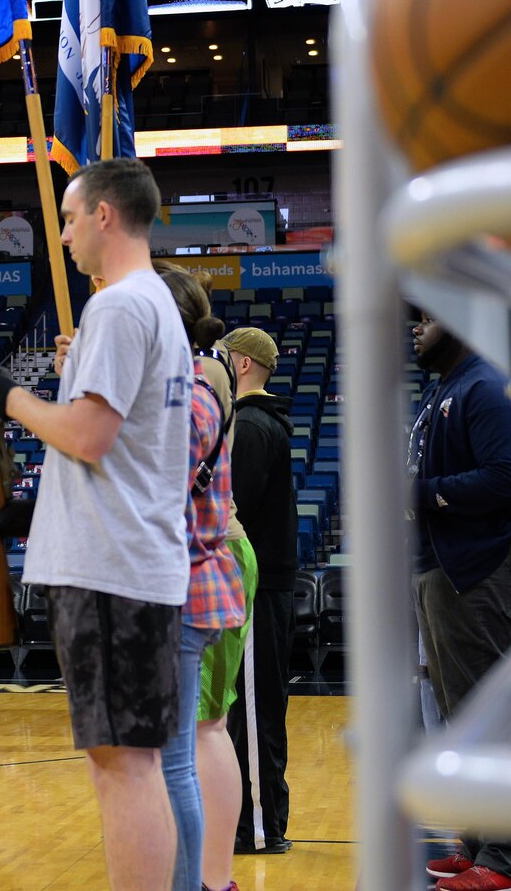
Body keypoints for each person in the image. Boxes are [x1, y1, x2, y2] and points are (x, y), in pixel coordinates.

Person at [0, 158, 190, 891]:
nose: (59, 235)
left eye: (66, 217)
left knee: (122, 762)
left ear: (105, 215)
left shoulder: (120, 306)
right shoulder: (151, 303)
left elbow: (89, 434)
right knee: (130, 759)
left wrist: (7, 398)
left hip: (111, 566)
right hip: (129, 560)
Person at [409, 312, 511, 891]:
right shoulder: (447, 390)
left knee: (491, 712)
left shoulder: (483, 386)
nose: (415, 327)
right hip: (442, 569)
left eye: (428, 318)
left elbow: (507, 477)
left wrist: (422, 493)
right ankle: (483, 841)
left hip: (477, 571)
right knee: (463, 717)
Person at [153, 262, 244, 891]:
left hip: (178, 590)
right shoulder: (174, 385)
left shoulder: (184, 391)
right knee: (171, 758)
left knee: (175, 761)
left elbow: (152, 486)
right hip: (174, 588)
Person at [216, 324, 296, 856]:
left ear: (242, 364)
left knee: (253, 707)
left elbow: (231, 504)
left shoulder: (249, 426)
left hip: (258, 584)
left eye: (223, 357)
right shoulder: (260, 422)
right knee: (253, 704)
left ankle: (258, 826)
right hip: (266, 585)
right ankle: (251, 820)